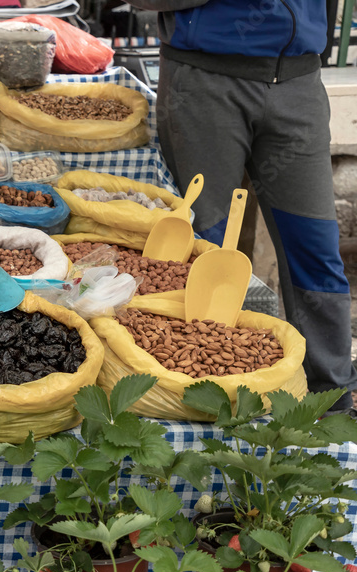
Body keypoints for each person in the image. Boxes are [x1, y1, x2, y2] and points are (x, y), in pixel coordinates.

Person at [126, 0, 357, 417]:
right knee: (199, 252)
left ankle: (332, 404)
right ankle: (194, 401)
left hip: (298, 84)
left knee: (317, 252)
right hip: (205, 83)